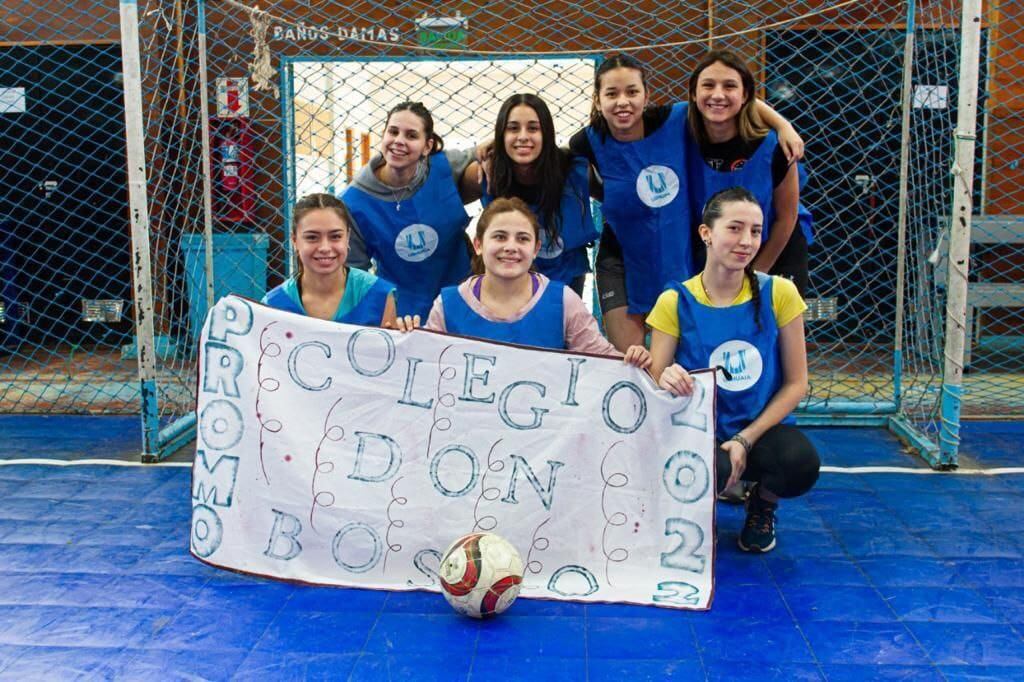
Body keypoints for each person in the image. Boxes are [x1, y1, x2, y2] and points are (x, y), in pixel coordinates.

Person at [568, 54, 805, 351]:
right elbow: (542, 157)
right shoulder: (586, 143)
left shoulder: (677, 120)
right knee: (627, 360)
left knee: (684, 358)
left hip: (678, 255)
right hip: (624, 256)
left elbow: (732, 98)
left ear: (646, 95)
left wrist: (784, 126)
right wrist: (491, 144)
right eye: (612, 93)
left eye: (632, 91)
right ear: (598, 98)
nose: (623, 102)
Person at [647, 187, 820, 552]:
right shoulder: (675, 300)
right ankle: (693, 507)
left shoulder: (780, 294)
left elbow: (796, 383)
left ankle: (763, 504)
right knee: (711, 472)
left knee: (799, 463)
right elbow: (655, 378)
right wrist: (664, 376)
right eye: (735, 228)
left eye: (755, 231)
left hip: (758, 433)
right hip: (697, 432)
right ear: (706, 233)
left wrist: (745, 439)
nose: (746, 241)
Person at [397, 197, 650, 368]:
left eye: (522, 239)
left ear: (536, 248)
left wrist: (634, 361)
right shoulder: (448, 304)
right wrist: (404, 341)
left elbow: (605, 364)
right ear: (478, 245)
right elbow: (424, 369)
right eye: (499, 236)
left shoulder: (562, 301)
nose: (511, 247)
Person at [687, 49, 813, 295]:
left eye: (730, 86)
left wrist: (754, 276)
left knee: (775, 330)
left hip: (775, 250)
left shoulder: (774, 146)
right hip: (717, 253)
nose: (718, 94)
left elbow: (786, 218)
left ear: (745, 95)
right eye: (708, 85)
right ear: (693, 93)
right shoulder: (679, 135)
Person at [342, 101, 481, 320]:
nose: (399, 141)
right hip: (402, 316)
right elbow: (353, 275)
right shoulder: (353, 202)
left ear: (428, 145)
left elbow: (488, 154)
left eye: (411, 135)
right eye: (393, 132)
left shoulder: (446, 168)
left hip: (462, 302)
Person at [476, 93, 597, 297]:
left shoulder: (576, 170)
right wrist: (477, 152)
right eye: (513, 128)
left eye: (533, 128)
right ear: (501, 134)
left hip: (567, 278)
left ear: (547, 133)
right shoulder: (486, 173)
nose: (523, 136)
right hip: (508, 281)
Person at [263, 193, 397, 327]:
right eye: (312, 237)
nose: (325, 248)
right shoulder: (272, 305)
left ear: (347, 237)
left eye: (335, 236)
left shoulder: (378, 295)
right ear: (295, 241)